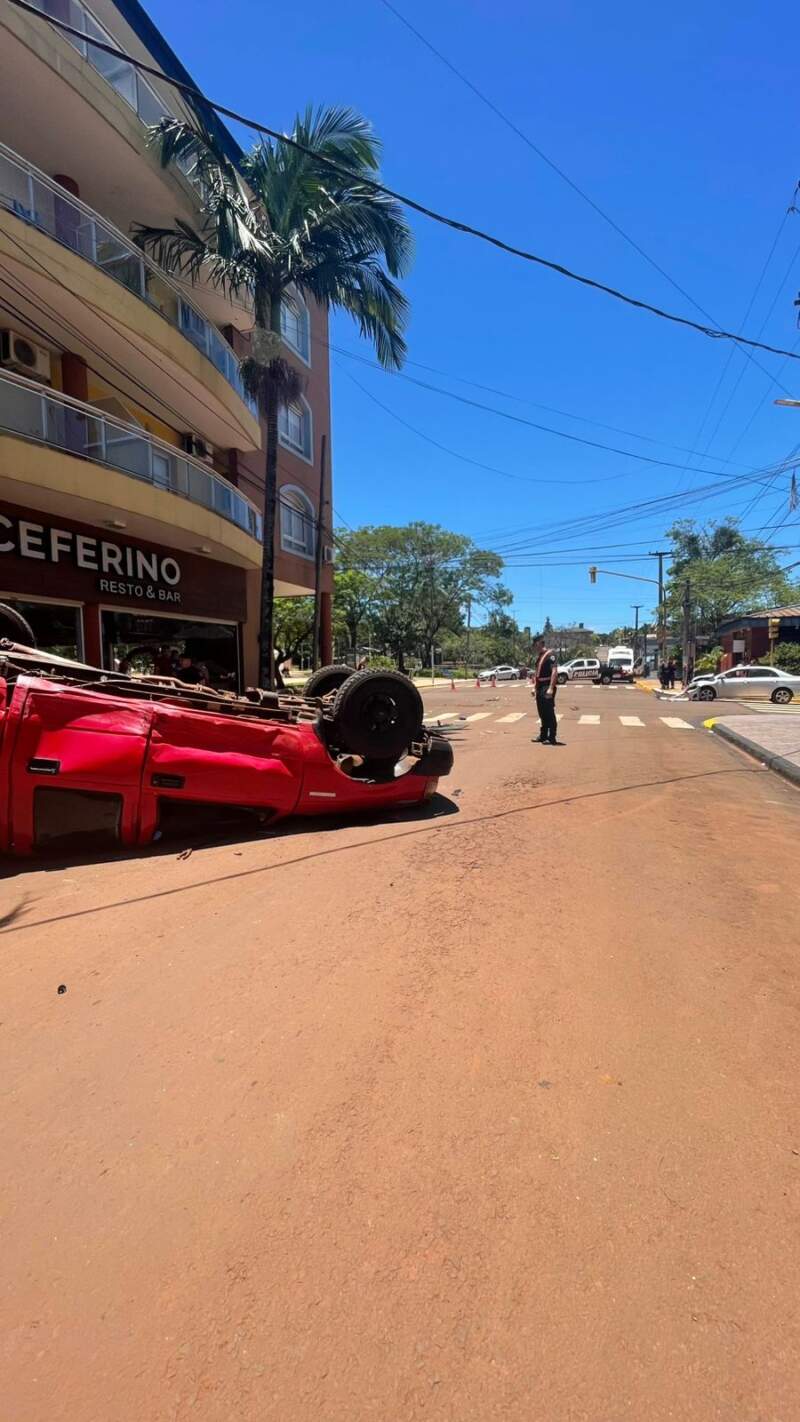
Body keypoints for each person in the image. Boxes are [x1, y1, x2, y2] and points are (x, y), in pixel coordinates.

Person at [532, 638, 560, 745]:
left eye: (535, 644)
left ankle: (552, 736)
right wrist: (534, 687)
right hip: (540, 686)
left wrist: (551, 688)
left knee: (549, 712)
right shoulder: (540, 656)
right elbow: (537, 674)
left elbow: (554, 671)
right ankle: (543, 735)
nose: (534, 647)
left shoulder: (551, 654)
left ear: (539, 643)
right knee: (542, 712)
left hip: (547, 686)